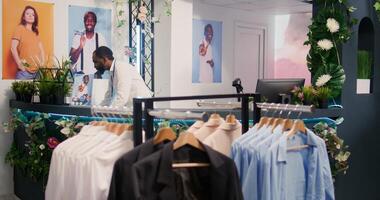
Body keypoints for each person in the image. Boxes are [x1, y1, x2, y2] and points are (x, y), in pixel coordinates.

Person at [11, 5, 45, 80]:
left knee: (39, 92)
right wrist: (20, 65)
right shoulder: (19, 29)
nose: (30, 16)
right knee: (22, 92)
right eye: (27, 14)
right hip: (24, 72)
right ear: (23, 17)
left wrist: (42, 64)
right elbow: (13, 48)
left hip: (37, 72)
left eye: (33, 14)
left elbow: (41, 50)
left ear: (35, 18)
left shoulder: (35, 32)